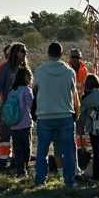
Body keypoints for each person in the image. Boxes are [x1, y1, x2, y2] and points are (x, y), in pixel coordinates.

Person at [34, 42, 79, 187]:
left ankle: (41, 180)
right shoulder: (70, 72)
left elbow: (35, 90)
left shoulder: (40, 71)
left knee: (42, 150)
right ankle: (69, 181)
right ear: (61, 54)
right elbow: (74, 94)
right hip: (65, 114)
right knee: (68, 151)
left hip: (44, 115)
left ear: (48, 53)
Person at [0, 42, 28, 171]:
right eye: (21, 51)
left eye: (25, 51)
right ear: (15, 52)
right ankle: (2, 162)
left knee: (18, 137)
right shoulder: (5, 68)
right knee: (5, 137)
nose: (24, 53)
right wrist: (1, 107)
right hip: (8, 109)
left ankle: (16, 161)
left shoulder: (24, 69)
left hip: (22, 110)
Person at [78, 73, 99, 181]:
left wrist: (80, 129)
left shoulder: (86, 99)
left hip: (93, 127)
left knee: (96, 151)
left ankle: (97, 174)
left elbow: (82, 116)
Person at [8, 66, 35, 177]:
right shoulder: (26, 90)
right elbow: (31, 106)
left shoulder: (12, 91)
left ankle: (20, 171)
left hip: (14, 125)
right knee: (26, 149)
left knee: (17, 150)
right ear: (26, 77)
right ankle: (25, 168)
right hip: (25, 125)